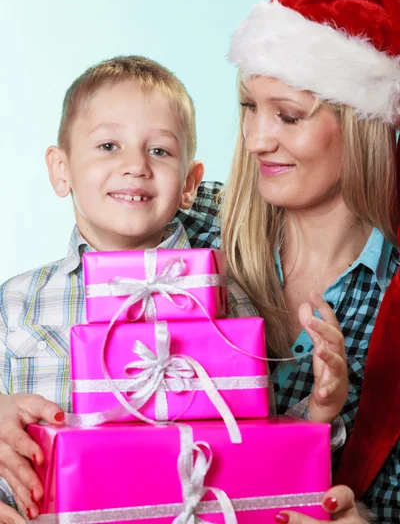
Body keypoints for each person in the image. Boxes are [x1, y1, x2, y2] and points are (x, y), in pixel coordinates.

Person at [0, 55, 347, 522]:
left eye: (159, 151)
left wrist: (320, 410)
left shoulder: (230, 299)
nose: (135, 166)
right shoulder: (16, 300)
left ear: (189, 184)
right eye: (108, 145)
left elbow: (257, 443)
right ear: (60, 170)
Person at [177, 0, 400, 523]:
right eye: (250, 107)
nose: (255, 140)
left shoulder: (393, 303)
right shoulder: (194, 226)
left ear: (365, 123)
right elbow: (64, 318)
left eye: (288, 115)